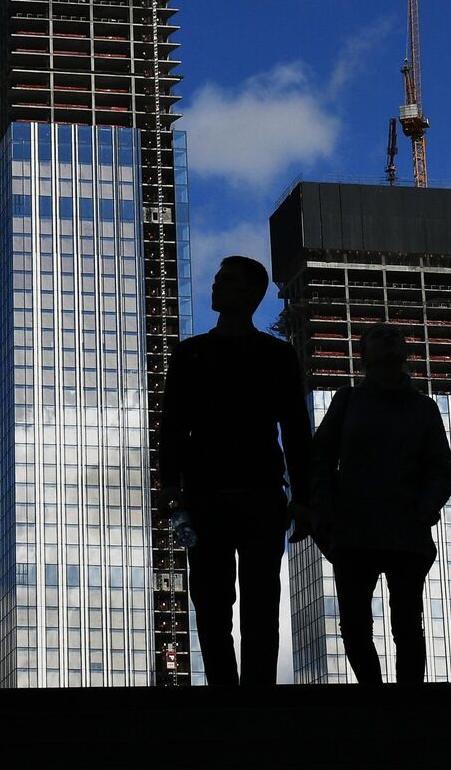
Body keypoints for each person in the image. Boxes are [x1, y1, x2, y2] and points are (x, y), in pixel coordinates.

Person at [161, 255, 314, 686]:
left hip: (251, 494)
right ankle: (232, 692)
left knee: (253, 603)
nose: (215, 286)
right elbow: (171, 424)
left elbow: (296, 430)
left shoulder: (268, 355)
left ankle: (246, 693)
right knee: (215, 603)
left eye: (225, 280)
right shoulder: (194, 354)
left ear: (251, 293)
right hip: (221, 495)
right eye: (217, 279)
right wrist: (170, 483)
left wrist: (303, 498)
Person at [311, 322, 451, 685]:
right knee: (354, 624)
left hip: (406, 529)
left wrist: (425, 507)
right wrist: (325, 513)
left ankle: (408, 699)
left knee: (408, 622)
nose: (388, 338)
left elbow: (441, 470)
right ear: (363, 355)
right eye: (377, 336)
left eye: (395, 335)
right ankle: (372, 694)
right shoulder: (347, 400)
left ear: (405, 352)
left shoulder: (424, 408)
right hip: (354, 528)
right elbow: (320, 458)